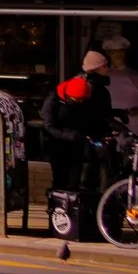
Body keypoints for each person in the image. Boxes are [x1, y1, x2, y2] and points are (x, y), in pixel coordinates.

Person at [43, 50, 115, 202]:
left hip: (79, 141)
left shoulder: (86, 93)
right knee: (64, 180)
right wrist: (74, 135)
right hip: (63, 144)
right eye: (105, 65)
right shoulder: (55, 101)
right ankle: (62, 209)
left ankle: (78, 206)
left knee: (77, 179)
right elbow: (50, 125)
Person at [102, 34, 138, 132]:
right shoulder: (103, 75)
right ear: (108, 54)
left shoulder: (135, 75)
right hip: (109, 123)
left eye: (120, 52)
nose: (118, 55)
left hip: (131, 124)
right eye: (114, 52)